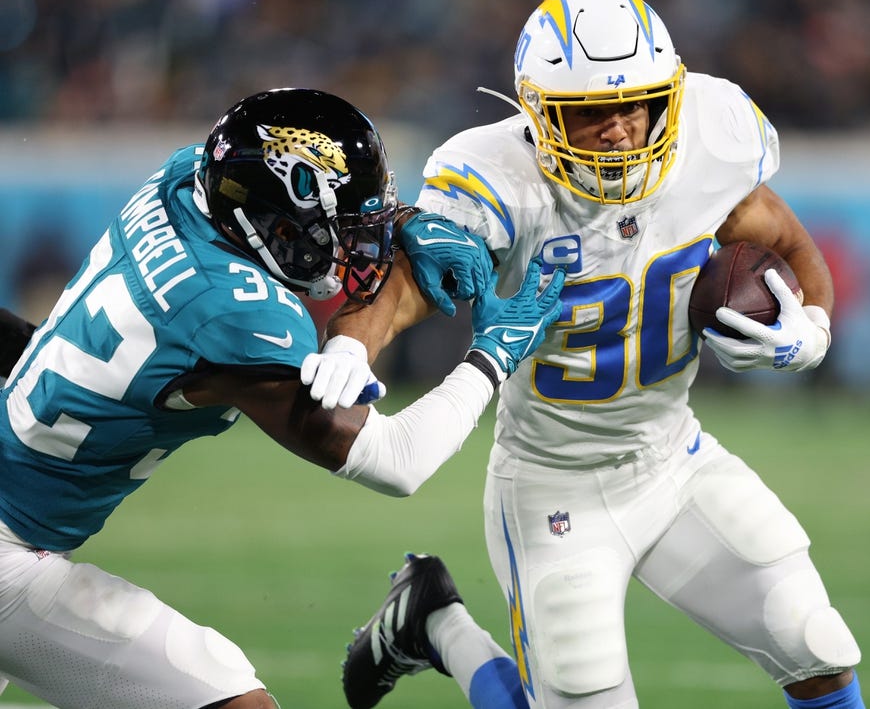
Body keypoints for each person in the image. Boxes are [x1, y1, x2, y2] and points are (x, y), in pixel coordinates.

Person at [325, 0, 867, 708]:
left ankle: (429, 616)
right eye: (588, 112)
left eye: (634, 103)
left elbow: (788, 240)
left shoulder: (709, 140)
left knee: (814, 642)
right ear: (539, 115)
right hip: (554, 484)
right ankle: (439, 623)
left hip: (676, 459)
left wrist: (813, 331)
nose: (618, 127)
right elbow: (403, 286)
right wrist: (355, 347)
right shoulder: (496, 180)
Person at [0, 87, 564, 709]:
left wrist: (396, 232)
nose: (355, 244)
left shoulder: (192, 178)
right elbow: (398, 460)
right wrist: (493, 356)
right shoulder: (233, 315)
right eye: (341, 228)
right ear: (275, 219)